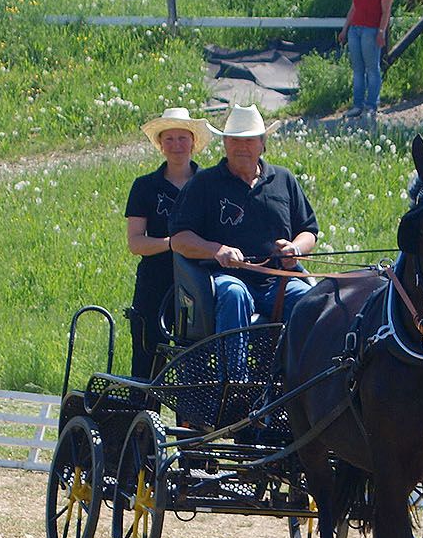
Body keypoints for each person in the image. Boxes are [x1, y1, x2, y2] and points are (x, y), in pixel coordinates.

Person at [169, 103, 318, 337]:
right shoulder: (204, 183)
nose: (242, 147)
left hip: (277, 282)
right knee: (235, 294)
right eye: (235, 140)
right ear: (225, 144)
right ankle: (234, 374)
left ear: (262, 144)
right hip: (225, 279)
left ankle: (300, 372)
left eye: (249, 140)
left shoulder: (283, 179)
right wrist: (217, 250)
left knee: (311, 300)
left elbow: (308, 230)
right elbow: (179, 240)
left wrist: (295, 249)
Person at [124, 107, 208, 379]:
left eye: (182, 138)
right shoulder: (144, 187)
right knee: (148, 353)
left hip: (200, 280)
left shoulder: (209, 184)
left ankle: (192, 420)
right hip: (155, 280)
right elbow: (136, 242)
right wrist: (173, 244)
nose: (176, 146)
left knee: (196, 355)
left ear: (193, 142)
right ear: (160, 145)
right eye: (169, 139)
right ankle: (144, 416)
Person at [338, 0, 393, 121]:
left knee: (372, 68)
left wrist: (381, 32)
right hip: (356, 29)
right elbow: (353, 8)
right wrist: (345, 28)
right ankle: (357, 105)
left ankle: (371, 105)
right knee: (358, 69)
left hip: (371, 30)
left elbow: (386, 12)